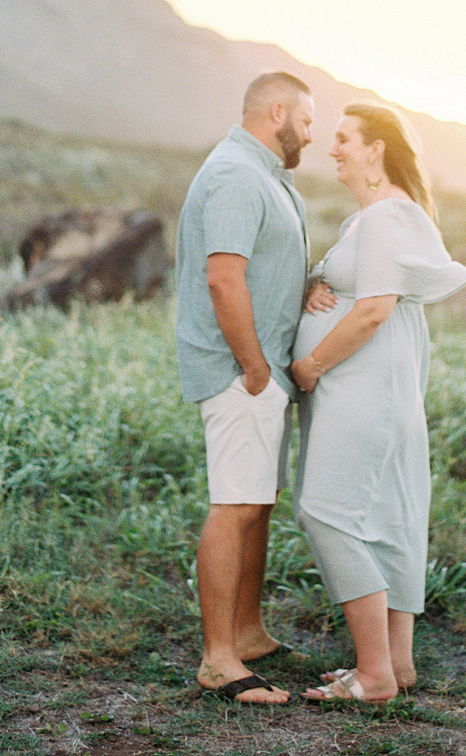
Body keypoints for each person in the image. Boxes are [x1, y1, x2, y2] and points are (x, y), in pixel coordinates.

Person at [290, 103, 466, 702]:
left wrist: (311, 365)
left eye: (344, 139)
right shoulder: (376, 218)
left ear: (377, 149)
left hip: (361, 390)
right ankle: (396, 662)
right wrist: (320, 281)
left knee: (326, 511)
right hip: (373, 388)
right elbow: (360, 290)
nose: (332, 148)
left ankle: (372, 677)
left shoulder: (387, 216)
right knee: (389, 515)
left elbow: (373, 308)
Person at [175, 71, 314, 705]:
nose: (311, 134)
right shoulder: (236, 173)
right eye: (307, 122)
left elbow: (262, 267)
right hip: (240, 373)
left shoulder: (267, 177)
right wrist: (255, 367)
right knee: (235, 504)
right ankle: (218, 659)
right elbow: (223, 280)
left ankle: (249, 634)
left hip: (262, 373)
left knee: (256, 503)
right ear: (277, 112)